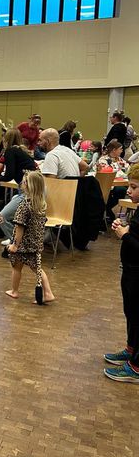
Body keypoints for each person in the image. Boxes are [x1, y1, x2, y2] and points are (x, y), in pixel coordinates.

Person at [104, 164, 139, 382]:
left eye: (134, 187)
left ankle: (136, 367)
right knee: (131, 312)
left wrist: (125, 235)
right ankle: (131, 349)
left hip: (137, 271)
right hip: (130, 269)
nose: (128, 190)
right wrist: (123, 227)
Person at [6, 170, 55, 304]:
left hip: (24, 244)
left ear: (27, 185)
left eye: (24, 182)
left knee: (17, 267)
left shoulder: (24, 205)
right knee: (37, 268)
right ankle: (48, 292)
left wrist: (15, 245)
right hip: (36, 242)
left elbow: (20, 227)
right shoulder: (40, 205)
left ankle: (14, 291)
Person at [0, 129, 38, 245]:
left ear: (6, 139)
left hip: (27, 191)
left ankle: (17, 242)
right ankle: (16, 239)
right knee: (14, 200)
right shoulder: (23, 151)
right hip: (36, 190)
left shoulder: (10, 151)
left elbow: (9, 175)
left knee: (2, 217)